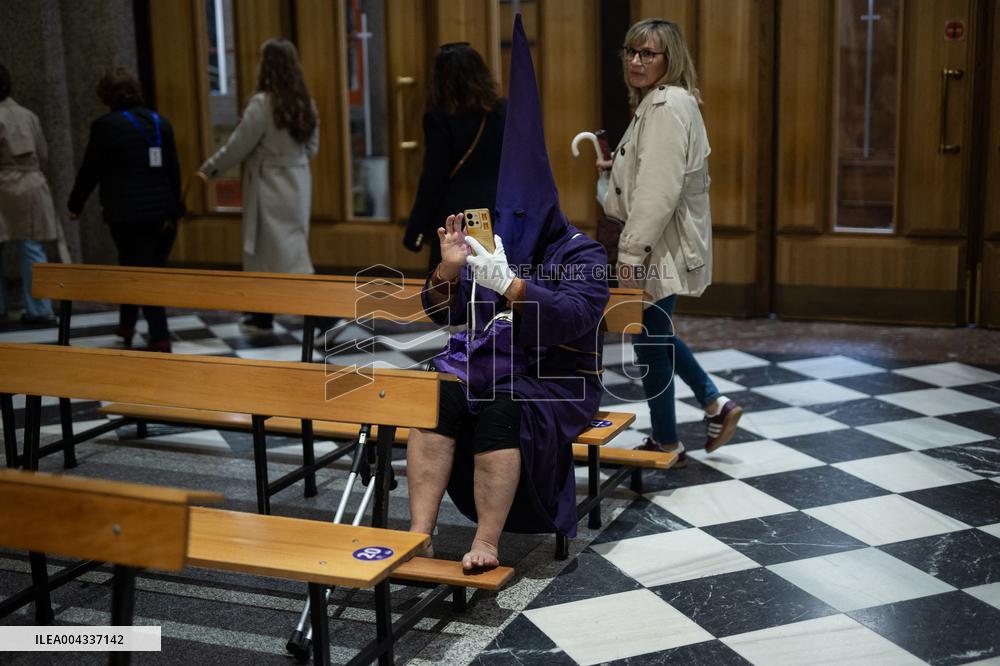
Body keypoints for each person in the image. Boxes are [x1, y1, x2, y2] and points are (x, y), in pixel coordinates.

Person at [406, 15, 609, 572]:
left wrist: (513, 286)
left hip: (557, 377)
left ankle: (487, 541)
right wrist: (449, 270)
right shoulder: (490, 242)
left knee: (503, 408)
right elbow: (439, 315)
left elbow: (571, 319)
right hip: (488, 363)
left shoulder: (583, 253)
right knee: (436, 400)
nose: (510, 229)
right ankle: (419, 534)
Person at [600, 19, 743, 465]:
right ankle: (710, 406)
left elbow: (658, 193)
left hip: (656, 245)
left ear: (670, 60)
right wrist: (612, 174)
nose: (636, 61)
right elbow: (646, 179)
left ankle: (669, 436)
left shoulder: (665, 106)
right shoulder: (663, 103)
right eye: (631, 51)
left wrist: (630, 255)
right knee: (653, 334)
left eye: (648, 54)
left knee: (649, 336)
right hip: (659, 243)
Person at [200, 38, 318, 334]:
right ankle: (262, 316)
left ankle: (321, 319)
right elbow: (312, 148)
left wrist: (208, 170)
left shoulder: (261, 104)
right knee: (287, 251)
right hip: (298, 182)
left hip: (270, 187)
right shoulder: (305, 100)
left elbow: (238, 146)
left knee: (272, 255)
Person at [68, 68, 183, 351]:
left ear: (107, 95)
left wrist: (75, 204)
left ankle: (160, 336)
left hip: (127, 215)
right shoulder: (161, 122)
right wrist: (174, 209)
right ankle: (127, 325)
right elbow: (174, 171)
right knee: (143, 267)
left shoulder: (106, 127)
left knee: (141, 272)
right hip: (163, 215)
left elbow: (90, 170)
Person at [402, 43, 506, 273]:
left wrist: (415, 230)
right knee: (493, 276)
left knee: (451, 283)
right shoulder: (501, 110)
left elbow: (433, 177)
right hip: (497, 209)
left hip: (457, 214)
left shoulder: (439, 117)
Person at [0, 63, 59, 325]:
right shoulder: (28, 115)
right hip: (31, 184)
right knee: (32, 247)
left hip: (2, 183)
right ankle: (39, 309)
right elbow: (44, 153)